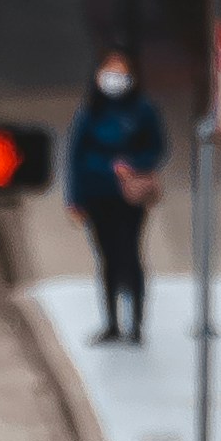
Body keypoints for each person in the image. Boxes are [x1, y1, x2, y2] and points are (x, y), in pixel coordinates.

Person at [63, 54, 170, 344]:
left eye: (120, 71)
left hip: (129, 196)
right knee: (107, 257)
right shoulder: (89, 111)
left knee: (130, 253)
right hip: (96, 194)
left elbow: (157, 147)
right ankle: (111, 323)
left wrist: (133, 164)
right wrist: (74, 199)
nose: (114, 78)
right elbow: (75, 157)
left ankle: (136, 323)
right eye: (109, 71)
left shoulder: (143, 110)